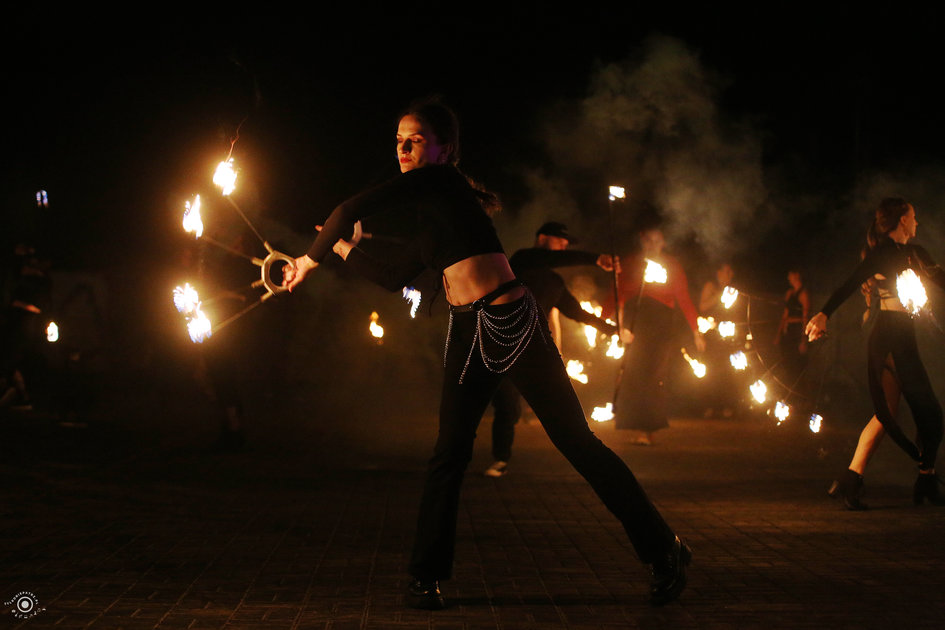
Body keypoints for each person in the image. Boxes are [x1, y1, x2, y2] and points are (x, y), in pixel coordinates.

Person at [282, 99, 691, 609]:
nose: (403, 149)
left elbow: (347, 209)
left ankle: (664, 548)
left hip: (513, 322)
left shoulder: (442, 181)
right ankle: (425, 577)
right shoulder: (432, 222)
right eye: (398, 141)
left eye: (415, 140)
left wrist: (309, 260)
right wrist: (342, 248)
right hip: (466, 331)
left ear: (445, 149)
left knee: (576, 441)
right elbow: (390, 277)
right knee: (449, 452)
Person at [806, 197, 945, 507]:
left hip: (899, 337)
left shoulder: (916, 254)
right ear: (903, 220)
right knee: (931, 413)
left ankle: (851, 479)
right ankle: (926, 479)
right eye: (913, 216)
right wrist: (823, 314)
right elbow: (849, 284)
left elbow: (941, 280)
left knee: (886, 414)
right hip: (891, 339)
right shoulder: (882, 254)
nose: (917, 222)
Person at [483, 221, 618, 478]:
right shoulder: (522, 260)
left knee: (558, 403)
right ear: (543, 238)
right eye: (560, 241)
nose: (564, 246)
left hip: (536, 350)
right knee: (507, 405)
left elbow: (577, 312)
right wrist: (596, 259)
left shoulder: (555, 282)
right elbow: (550, 258)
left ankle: (585, 457)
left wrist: (611, 329)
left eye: (566, 244)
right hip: (504, 343)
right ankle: (500, 458)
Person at [612, 227, 705, 445]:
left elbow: (684, 298)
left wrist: (696, 331)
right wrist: (606, 323)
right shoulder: (631, 262)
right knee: (634, 372)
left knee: (654, 375)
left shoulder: (671, 265)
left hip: (660, 325)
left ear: (663, 243)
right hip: (636, 323)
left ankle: (648, 429)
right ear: (642, 241)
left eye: (657, 241)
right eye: (648, 241)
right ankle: (636, 426)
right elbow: (618, 294)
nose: (653, 245)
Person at [774, 269, 810, 383]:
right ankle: (787, 384)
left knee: (796, 362)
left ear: (796, 275)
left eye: (790, 275)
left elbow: (805, 317)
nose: (788, 278)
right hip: (787, 330)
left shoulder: (803, 294)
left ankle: (797, 386)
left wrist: (803, 339)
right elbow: (785, 314)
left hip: (796, 330)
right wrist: (778, 334)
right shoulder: (789, 293)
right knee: (786, 359)